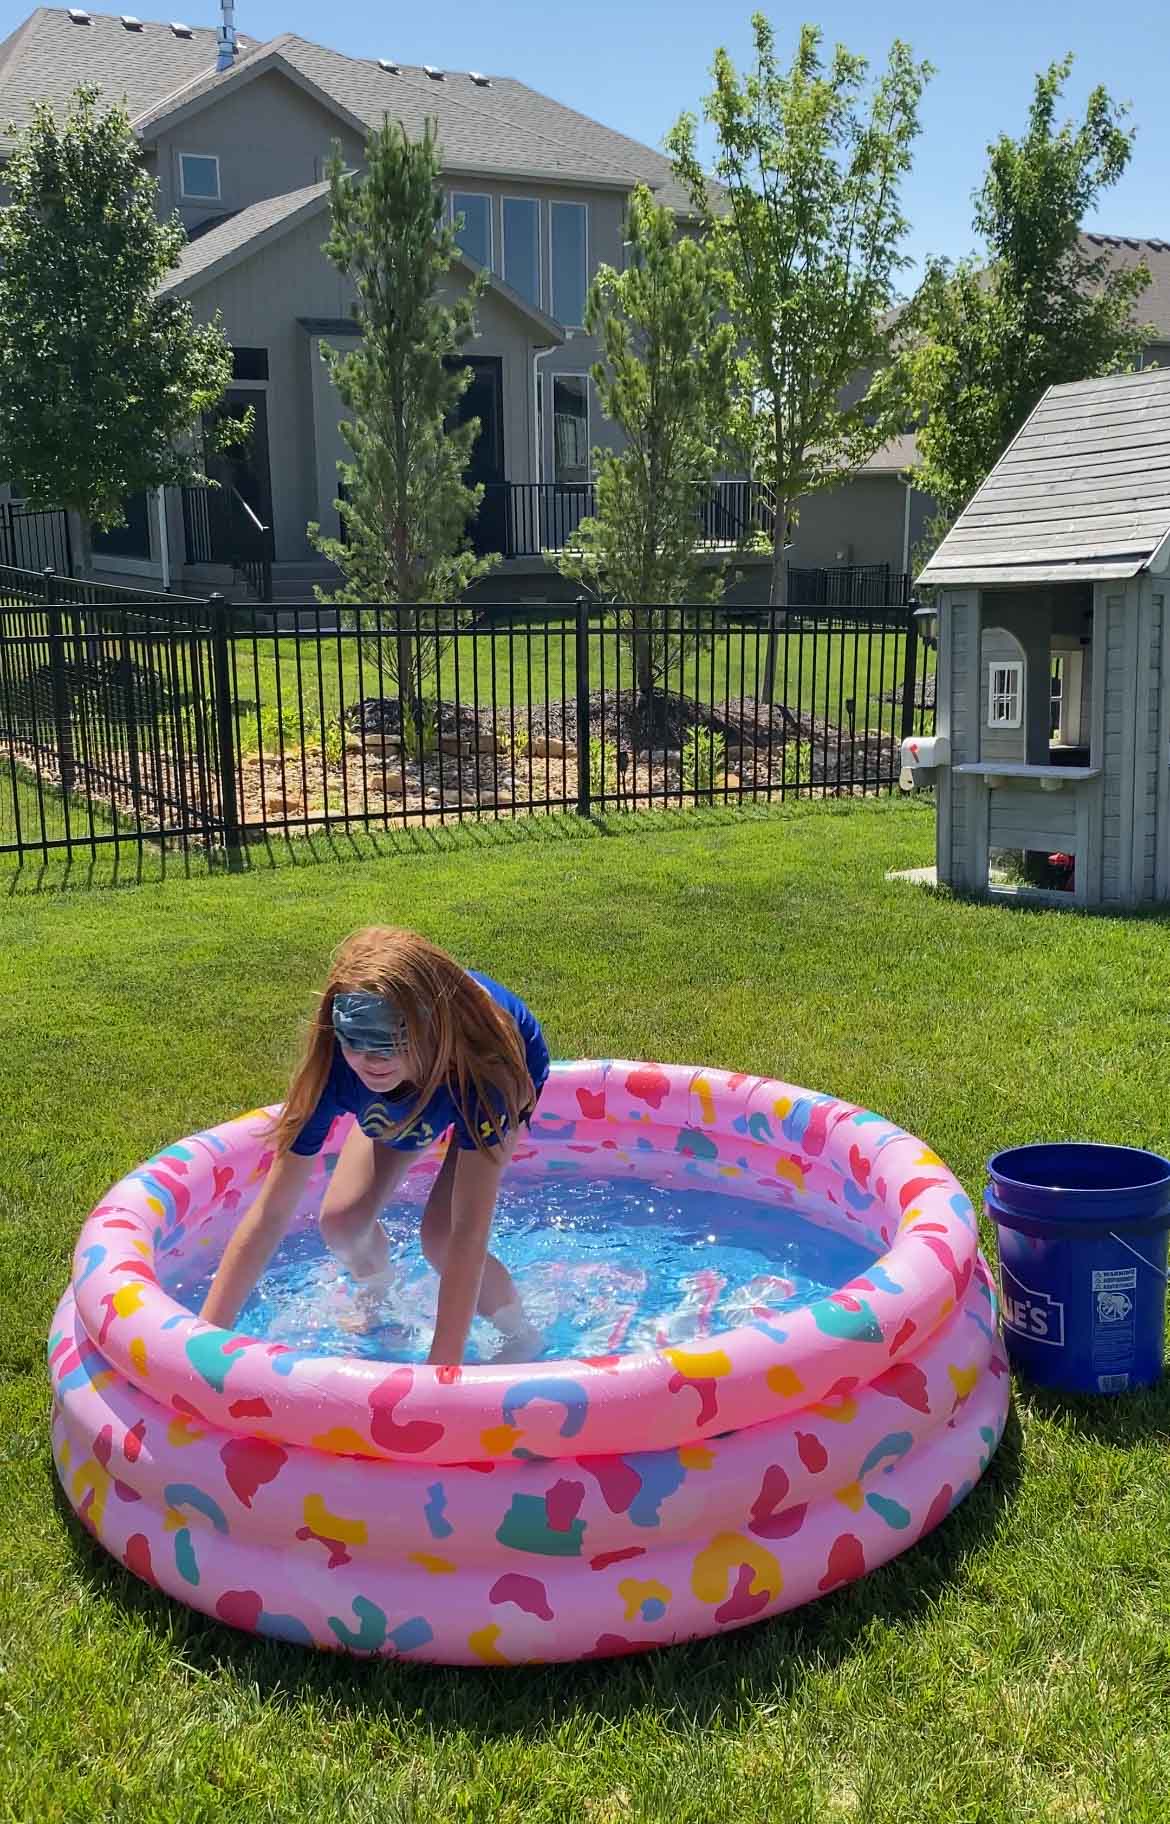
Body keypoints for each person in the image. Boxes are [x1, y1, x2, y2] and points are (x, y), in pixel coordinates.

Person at [199, 926, 549, 1364]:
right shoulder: (339, 1069)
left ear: (427, 1030)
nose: (371, 1061)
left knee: (441, 1236)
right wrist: (202, 1344)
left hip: (479, 1070)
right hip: (422, 1069)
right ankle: (381, 1300)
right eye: (355, 1042)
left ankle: (519, 1334)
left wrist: (440, 1372)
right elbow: (271, 1212)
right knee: (342, 1222)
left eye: (386, 1044)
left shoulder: (486, 1073)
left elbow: (467, 1232)